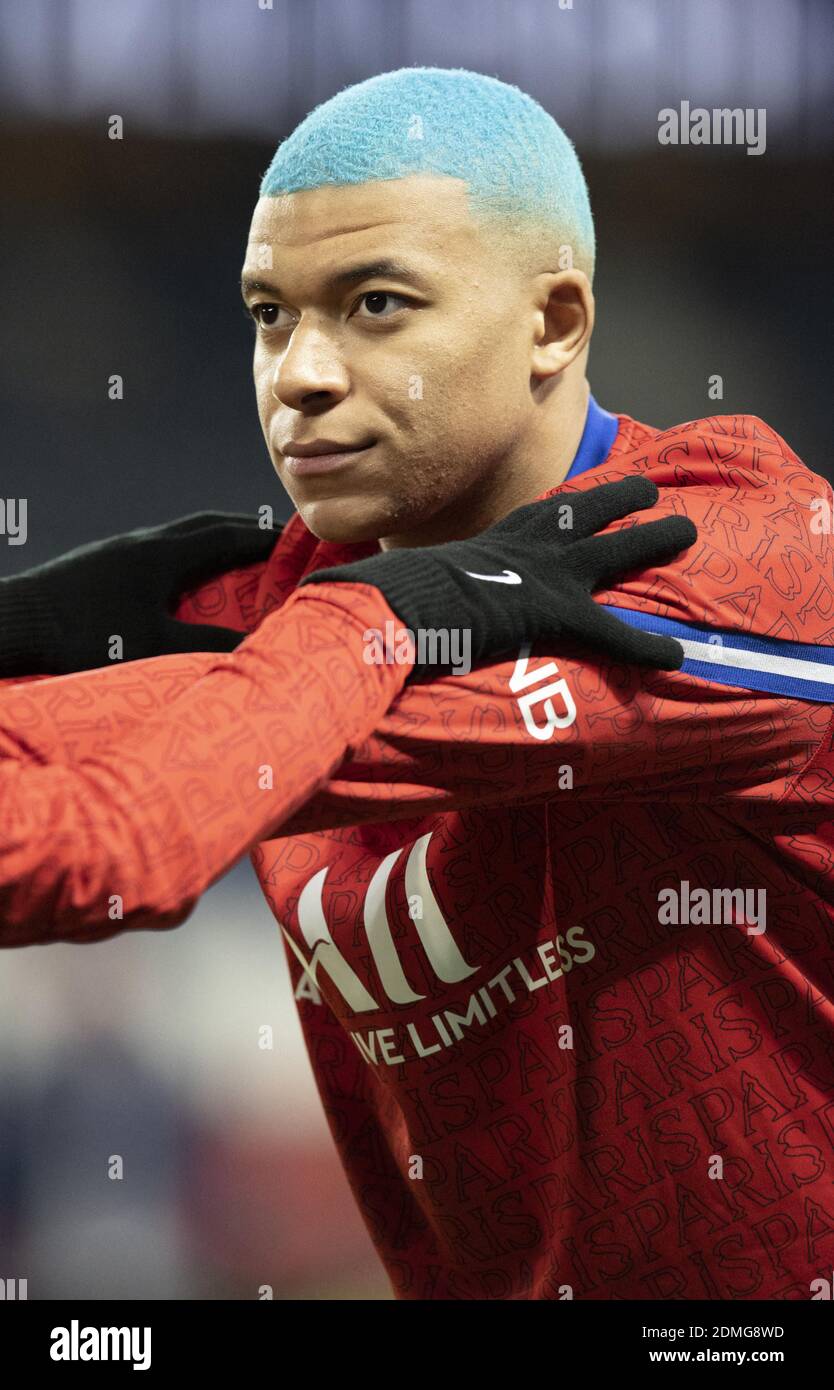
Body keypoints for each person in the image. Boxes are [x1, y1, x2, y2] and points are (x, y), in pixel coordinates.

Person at [3, 66, 834, 1301]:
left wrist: (364, 623)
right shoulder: (285, 605)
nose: (299, 375)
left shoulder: (727, 561)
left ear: (554, 321)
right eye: (269, 314)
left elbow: (101, 835)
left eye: (377, 305)